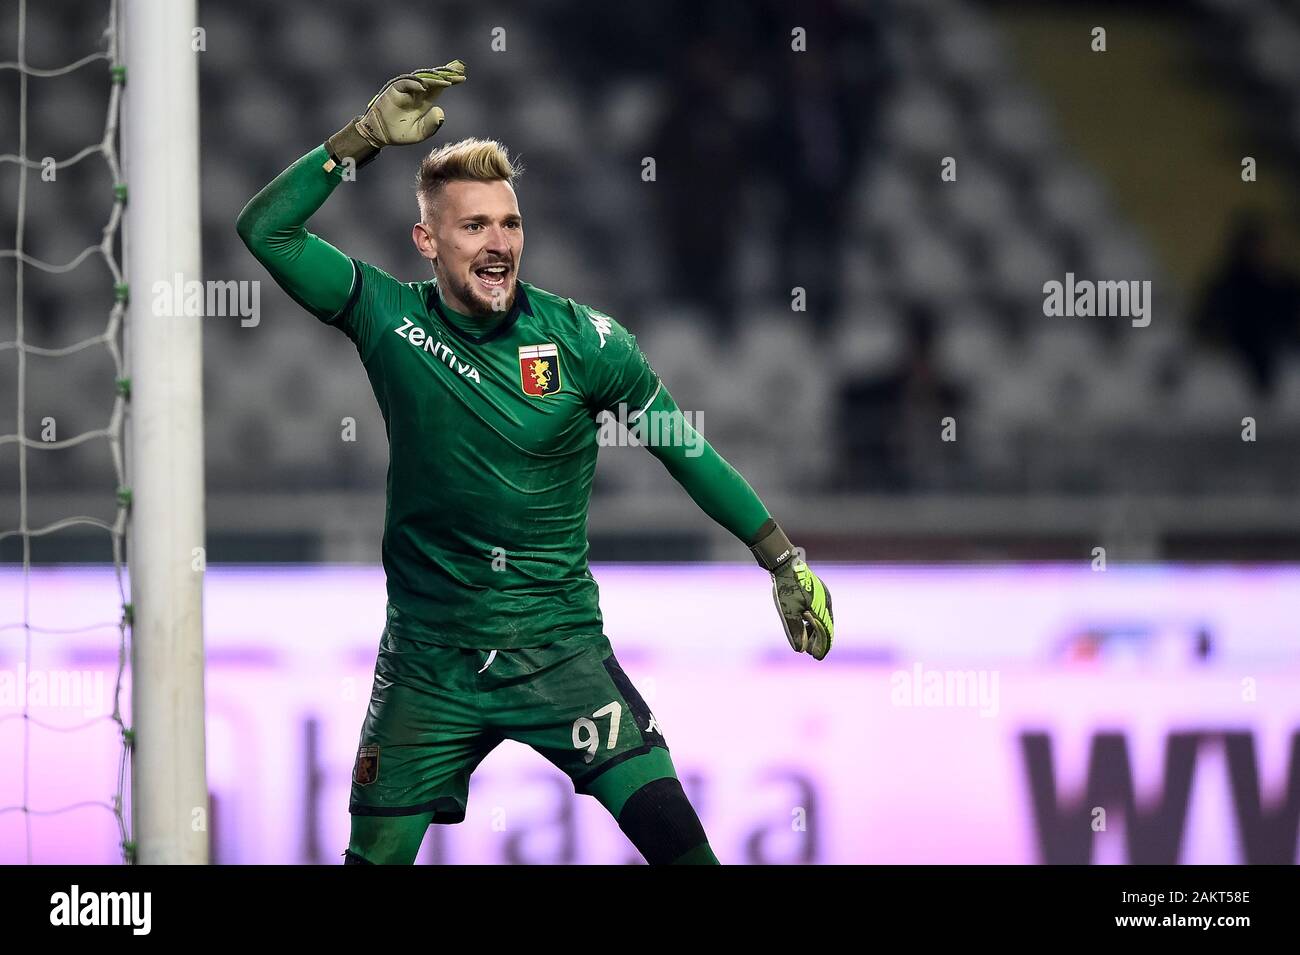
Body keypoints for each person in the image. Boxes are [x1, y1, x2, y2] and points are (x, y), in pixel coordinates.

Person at [236, 62, 834, 865]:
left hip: (556, 650)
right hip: (428, 666)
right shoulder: (385, 316)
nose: (498, 243)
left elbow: (686, 451)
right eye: (473, 225)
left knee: (685, 852)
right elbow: (264, 230)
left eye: (509, 224)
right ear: (428, 241)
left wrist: (781, 557)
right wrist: (362, 139)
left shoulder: (587, 344)